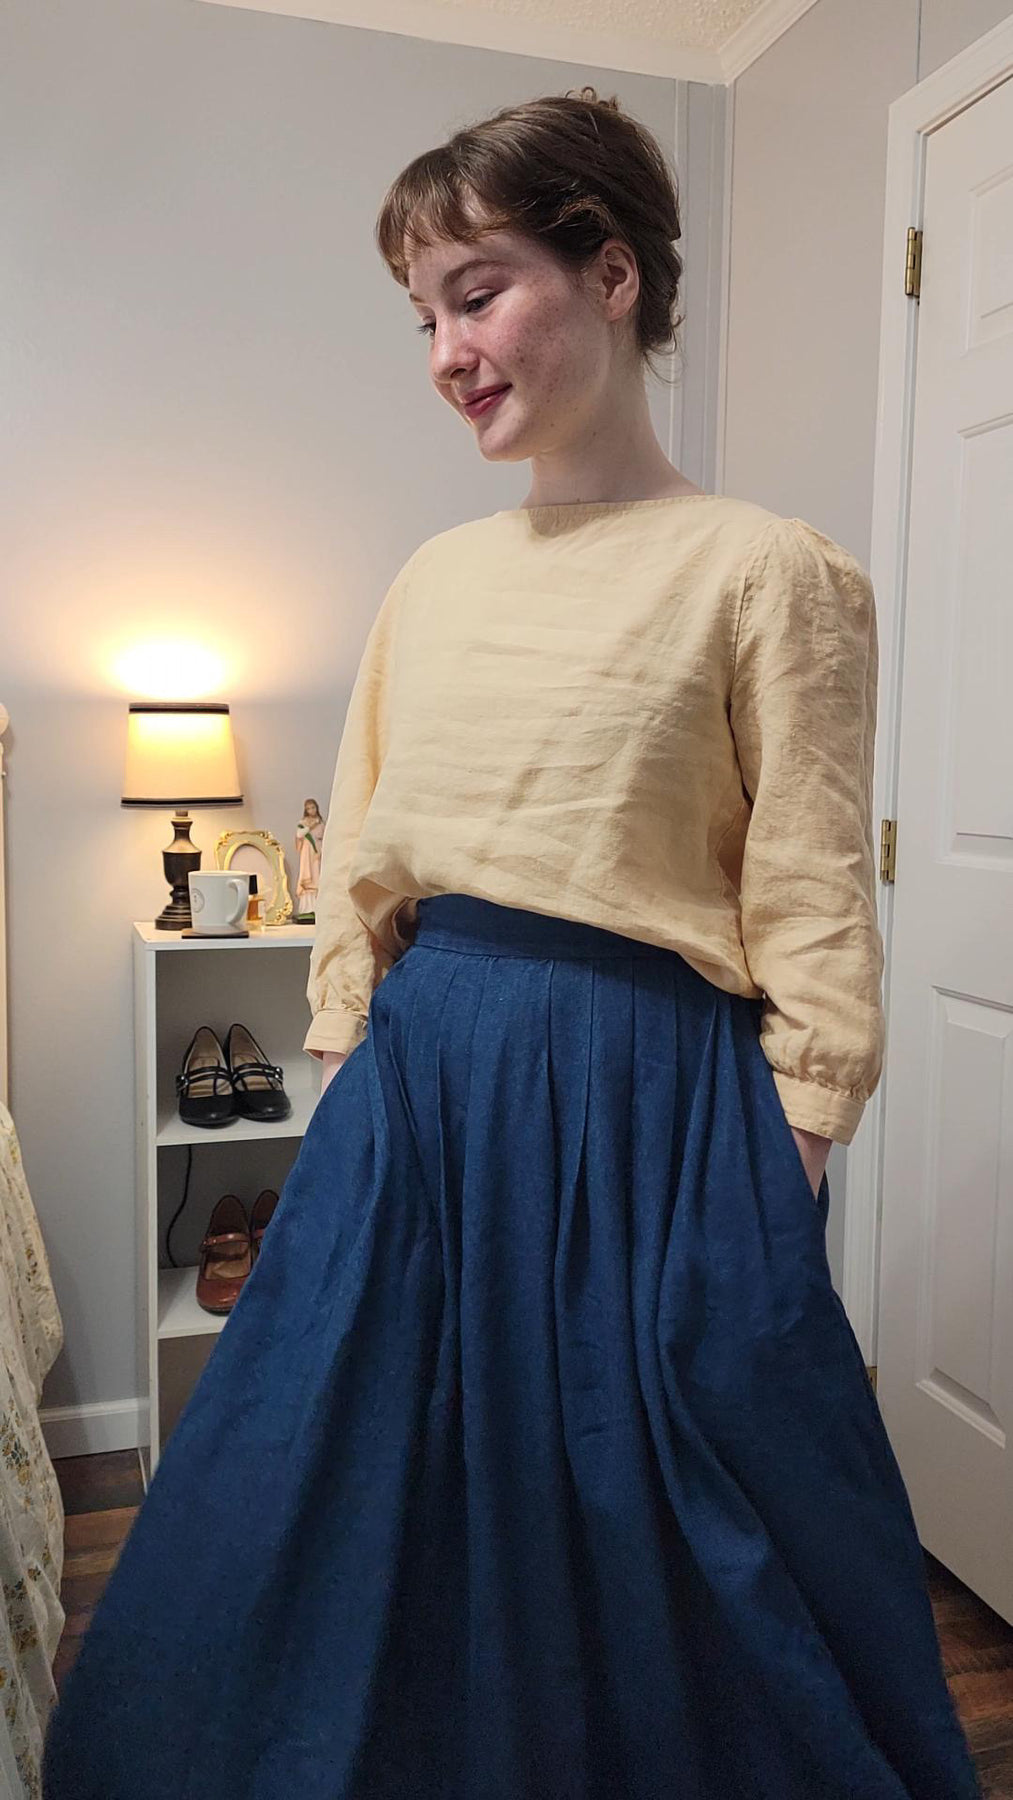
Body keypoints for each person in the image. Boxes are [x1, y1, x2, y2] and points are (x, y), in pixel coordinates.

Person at [42, 86, 982, 1800]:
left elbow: (809, 893)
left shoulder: (767, 572)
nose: (444, 353)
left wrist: (780, 1164)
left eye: (475, 294)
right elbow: (367, 859)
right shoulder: (432, 581)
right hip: (421, 1091)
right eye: (422, 317)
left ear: (609, 274)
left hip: (651, 1105)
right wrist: (348, 1071)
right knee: (331, 1489)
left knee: (671, 1521)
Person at [295, 796, 326, 919]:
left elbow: (323, 838)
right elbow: (299, 835)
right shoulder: (303, 823)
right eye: (308, 808)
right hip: (306, 851)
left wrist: (321, 851)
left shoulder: (321, 823)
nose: (311, 810)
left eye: (313, 807)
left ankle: (317, 907)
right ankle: (307, 908)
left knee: (316, 875)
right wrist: (310, 826)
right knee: (307, 874)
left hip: (317, 851)